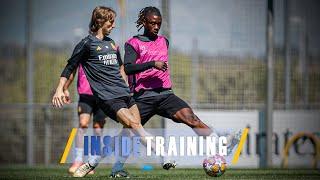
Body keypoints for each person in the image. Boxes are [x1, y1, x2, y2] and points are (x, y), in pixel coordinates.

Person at [109, 6, 242, 178]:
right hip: (142, 97)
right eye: (152, 23)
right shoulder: (133, 44)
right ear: (144, 22)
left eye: (159, 23)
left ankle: (221, 143)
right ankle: (117, 169)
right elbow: (127, 68)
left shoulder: (164, 41)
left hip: (165, 95)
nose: (156, 27)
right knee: (128, 131)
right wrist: (152, 64)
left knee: (191, 118)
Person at [52, 6, 174, 178]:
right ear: (100, 21)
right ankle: (165, 156)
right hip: (108, 98)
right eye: (111, 21)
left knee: (130, 132)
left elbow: (121, 68)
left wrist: (129, 86)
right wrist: (60, 89)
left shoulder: (111, 44)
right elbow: (70, 67)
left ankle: (93, 162)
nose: (114, 25)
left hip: (125, 94)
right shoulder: (86, 44)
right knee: (136, 126)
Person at [63, 64, 107, 175]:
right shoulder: (83, 47)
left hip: (103, 95)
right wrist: (65, 88)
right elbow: (71, 68)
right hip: (85, 95)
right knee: (83, 124)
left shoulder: (112, 48)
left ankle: (90, 164)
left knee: (98, 129)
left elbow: (119, 68)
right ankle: (78, 160)